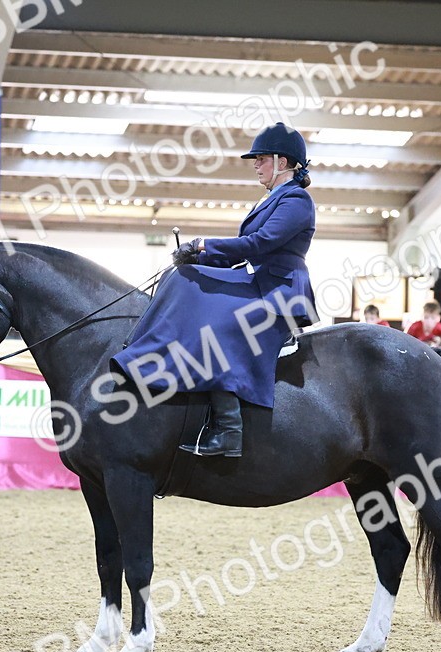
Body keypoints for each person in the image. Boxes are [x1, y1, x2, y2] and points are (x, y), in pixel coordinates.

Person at [114, 122, 319, 458]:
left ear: (282, 162)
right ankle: (142, 353)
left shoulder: (297, 200)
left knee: (215, 326)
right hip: (256, 282)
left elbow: (260, 244)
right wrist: (198, 258)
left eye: (261, 159)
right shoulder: (271, 199)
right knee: (184, 278)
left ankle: (229, 428)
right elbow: (243, 252)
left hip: (278, 293)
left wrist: (205, 244)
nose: (256, 165)